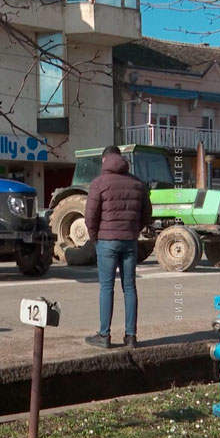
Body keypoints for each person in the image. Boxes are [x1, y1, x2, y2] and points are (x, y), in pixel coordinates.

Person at [84, 146, 152, 350]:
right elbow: (147, 213)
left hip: (106, 241)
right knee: (129, 287)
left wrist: (95, 238)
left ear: (104, 159)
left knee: (107, 287)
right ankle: (131, 336)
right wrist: (133, 230)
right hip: (129, 240)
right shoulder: (137, 183)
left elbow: (90, 216)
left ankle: (104, 335)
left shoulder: (99, 183)